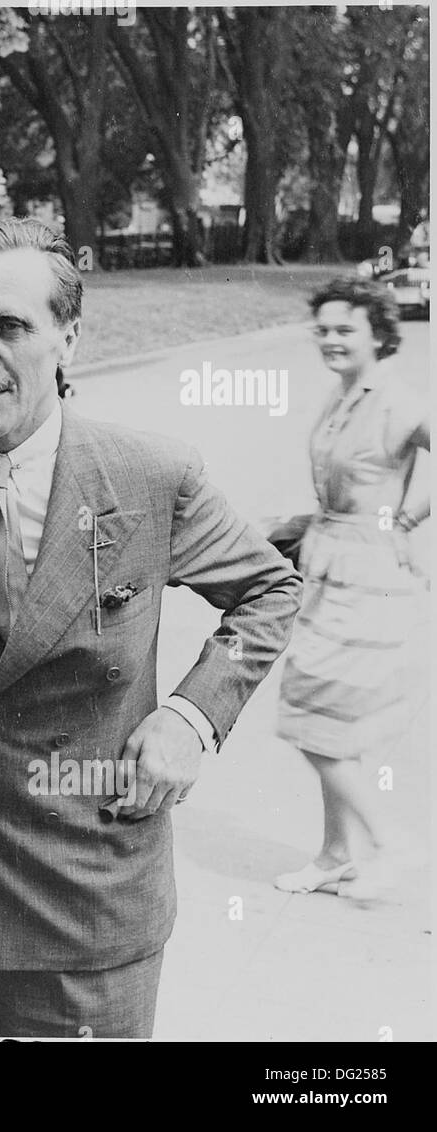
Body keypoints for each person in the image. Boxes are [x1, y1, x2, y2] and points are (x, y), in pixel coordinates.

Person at [0, 217, 302, 1038]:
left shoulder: (150, 478)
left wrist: (193, 718)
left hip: (86, 895)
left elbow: (269, 590)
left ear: (67, 337)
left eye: (10, 326)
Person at [273, 277, 429, 900]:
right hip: (329, 566)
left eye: (346, 330)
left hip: (367, 579)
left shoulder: (393, 398)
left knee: (312, 722)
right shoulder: (344, 394)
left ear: (378, 335)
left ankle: (390, 841)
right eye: (324, 329)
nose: (331, 340)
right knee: (327, 720)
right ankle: (337, 855)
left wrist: (412, 517)